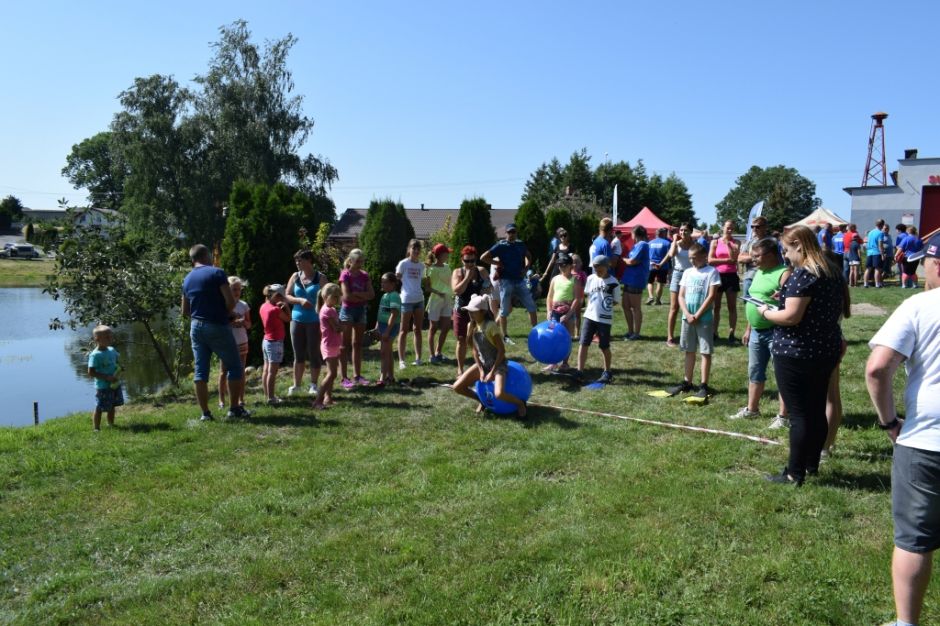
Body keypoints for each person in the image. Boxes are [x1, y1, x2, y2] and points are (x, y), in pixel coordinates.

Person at [866, 232, 940, 626]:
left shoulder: (918, 306)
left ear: (936, 264)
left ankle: (906, 622)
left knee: (914, 539)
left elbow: (878, 368)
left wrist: (889, 421)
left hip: (926, 438)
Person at [758, 225, 849, 486]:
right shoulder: (831, 272)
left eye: (786, 250)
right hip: (825, 349)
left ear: (799, 245)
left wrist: (766, 312)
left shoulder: (804, 274)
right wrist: (787, 296)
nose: (785, 256)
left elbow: (791, 317)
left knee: (798, 415)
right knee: (816, 409)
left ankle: (793, 473)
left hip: (796, 352)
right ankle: (811, 464)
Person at [181, 244, 246, 421]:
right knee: (235, 367)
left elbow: (185, 310)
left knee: (200, 372)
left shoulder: (187, 279)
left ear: (193, 259)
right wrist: (227, 315)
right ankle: (234, 410)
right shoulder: (217, 273)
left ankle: (205, 414)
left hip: (196, 327)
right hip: (217, 325)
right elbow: (230, 302)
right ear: (207, 256)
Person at [729, 238, 790, 422]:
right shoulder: (759, 272)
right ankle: (752, 409)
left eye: (757, 256)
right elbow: (754, 300)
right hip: (756, 331)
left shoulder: (785, 273)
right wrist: (749, 329)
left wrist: (780, 298)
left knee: (782, 375)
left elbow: (791, 305)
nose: (753, 259)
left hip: (776, 331)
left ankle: (783, 417)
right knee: (755, 371)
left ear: (770, 255)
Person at [451, 294, 527, 417]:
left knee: (499, 394)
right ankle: (482, 400)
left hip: (498, 364)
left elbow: (502, 351)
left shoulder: (491, 326)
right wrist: (481, 370)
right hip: (483, 364)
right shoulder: (471, 326)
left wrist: (492, 372)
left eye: (473, 311)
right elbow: (474, 350)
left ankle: (520, 403)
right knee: (457, 387)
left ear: (482, 312)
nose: (470, 314)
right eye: (469, 311)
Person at [668, 243, 720, 399]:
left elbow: (711, 296)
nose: (692, 261)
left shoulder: (712, 272)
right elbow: (681, 295)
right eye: (690, 258)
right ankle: (687, 382)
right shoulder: (687, 272)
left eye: (694, 258)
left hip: (703, 318)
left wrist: (697, 315)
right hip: (687, 318)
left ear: (704, 256)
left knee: (705, 351)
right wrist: (687, 313)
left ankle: (704, 385)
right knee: (689, 350)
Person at [480, 223, 538, 339]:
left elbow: (529, 256)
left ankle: (535, 332)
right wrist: (497, 263)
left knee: (531, 306)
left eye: (514, 232)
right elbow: (483, 257)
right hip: (506, 281)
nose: (512, 234)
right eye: (510, 232)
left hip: (520, 280)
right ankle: (505, 335)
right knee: (504, 310)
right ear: (506, 233)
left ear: (516, 233)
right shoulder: (501, 245)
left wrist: (526, 268)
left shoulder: (520, 244)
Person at [574, 255, 620, 383]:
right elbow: (589, 295)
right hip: (589, 317)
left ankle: (607, 372)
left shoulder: (614, 282)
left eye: (600, 270)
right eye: (596, 270)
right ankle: (579, 371)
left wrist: (604, 307)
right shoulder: (590, 278)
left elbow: (616, 301)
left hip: (604, 319)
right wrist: (591, 307)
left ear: (607, 267)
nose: (597, 272)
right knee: (583, 343)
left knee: (604, 346)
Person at [285, 249, 324, 397]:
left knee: (314, 353)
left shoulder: (320, 277)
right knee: (298, 354)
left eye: (300, 260)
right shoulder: (295, 276)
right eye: (296, 260)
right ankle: (296, 385)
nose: (297, 263)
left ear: (309, 261)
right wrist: (299, 300)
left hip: (314, 320)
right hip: (296, 319)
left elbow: (328, 296)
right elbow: (287, 296)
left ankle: (313, 385)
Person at [451, 245, 491, 376]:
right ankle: (460, 368)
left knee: (482, 339)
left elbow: (489, 287)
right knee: (461, 339)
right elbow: (457, 291)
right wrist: (467, 278)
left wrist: (486, 290)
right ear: (462, 260)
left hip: (478, 312)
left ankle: (484, 366)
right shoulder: (458, 272)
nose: (469, 264)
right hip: (462, 310)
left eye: (472, 261)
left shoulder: (482, 271)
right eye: (466, 261)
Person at [339, 249, 374, 388]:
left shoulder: (364, 275)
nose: (360, 264)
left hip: (361, 311)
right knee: (344, 345)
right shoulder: (345, 274)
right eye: (358, 261)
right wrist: (363, 295)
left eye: (362, 261)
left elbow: (371, 294)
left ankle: (357, 375)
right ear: (351, 261)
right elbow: (346, 296)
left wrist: (357, 294)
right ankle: (344, 377)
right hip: (347, 311)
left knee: (358, 344)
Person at [544, 253, 582, 371]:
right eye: (559, 265)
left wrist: (569, 314)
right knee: (552, 336)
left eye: (564, 265)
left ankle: (565, 363)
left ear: (570, 265)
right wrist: (548, 311)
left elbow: (577, 299)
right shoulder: (555, 279)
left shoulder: (575, 280)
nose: (561, 267)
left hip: (568, 313)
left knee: (567, 338)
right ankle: (553, 362)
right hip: (555, 312)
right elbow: (549, 297)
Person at [218, 276, 251, 411]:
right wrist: (232, 322)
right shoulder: (222, 304)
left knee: (241, 371)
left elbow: (249, 324)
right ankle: (221, 399)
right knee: (223, 371)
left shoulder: (243, 305)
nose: (237, 292)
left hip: (242, 341)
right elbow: (220, 324)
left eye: (238, 289)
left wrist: (243, 322)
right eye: (233, 289)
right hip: (226, 342)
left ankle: (240, 398)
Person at [662, 223, 695, 347]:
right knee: (674, 307)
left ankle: (689, 335)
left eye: (685, 230)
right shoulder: (676, 243)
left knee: (690, 307)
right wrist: (675, 241)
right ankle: (670, 337)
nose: (682, 233)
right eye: (681, 230)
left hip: (691, 276)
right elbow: (671, 254)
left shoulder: (694, 245)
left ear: (690, 232)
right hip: (677, 275)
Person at [708, 220, 740, 344]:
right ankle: (714, 332)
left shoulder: (736, 242)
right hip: (717, 276)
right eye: (728, 228)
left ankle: (732, 333)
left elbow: (734, 259)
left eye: (732, 228)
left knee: (732, 306)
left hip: (731, 276)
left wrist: (728, 245)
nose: (730, 230)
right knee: (716, 306)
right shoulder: (715, 242)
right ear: (723, 228)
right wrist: (727, 260)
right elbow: (710, 260)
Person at [396, 239, 426, 368]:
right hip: (406, 300)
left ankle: (418, 359)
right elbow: (397, 277)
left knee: (417, 329)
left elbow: (423, 280)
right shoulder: (403, 264)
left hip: (419, 300)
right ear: (409, 249)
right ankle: (402, 361)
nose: (416, 251)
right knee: (403, 330)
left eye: (418, 249)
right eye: (414, 248)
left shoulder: (422, 266)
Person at [87, 324, 123, 431]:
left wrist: (120, 368)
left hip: (114, 384)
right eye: (107, 337)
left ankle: (111, 424)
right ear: (97, 339)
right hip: (103, 386)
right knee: (99, 407)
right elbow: (91, 372)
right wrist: (106, 377)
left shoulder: (112, 350)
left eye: (110, 336)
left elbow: (116, 362)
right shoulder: (95, 355)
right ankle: (96, 428)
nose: (110, 338)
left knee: (112, 405)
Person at [313, 283, 343, 410]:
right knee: (332, 373)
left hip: (333, 344)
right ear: (326, 297)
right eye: (335, 297)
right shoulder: (327, 311)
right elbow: (336, 328)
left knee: (332, 373)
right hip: (329, 345)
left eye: (338, 296)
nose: (337, 299)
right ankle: (317, 401)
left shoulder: (331, 309)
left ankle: (328, 398)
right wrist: (344, 326)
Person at [260, 284, 291, 406]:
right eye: (281, 297)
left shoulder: (264, 306)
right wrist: (286, 307)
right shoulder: (276, 310)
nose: (283, 299)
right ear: (277, 296)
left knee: (266, 370)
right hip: (275, 342)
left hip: (266, 341)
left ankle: (267, 394)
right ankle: (271, 398)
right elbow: (288, 319)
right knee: (272, 372)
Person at [424, 244, 453, 364]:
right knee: (433, 328)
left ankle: (438, 352)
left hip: (447, 300)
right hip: (435, 300)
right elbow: (427, 288)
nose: (448, 255)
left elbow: (450, 283)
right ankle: (432, 356)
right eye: (446, 253)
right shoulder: (430, 269)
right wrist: (438, 292)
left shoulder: (448, 267)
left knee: (446, 327)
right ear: (440, 255)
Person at [620, 225, 648, 340]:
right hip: (629, 279)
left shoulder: (643, 244)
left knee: (636, 307)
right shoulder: (636, 245)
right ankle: (630, 331)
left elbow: (632, 261)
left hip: (636, 279)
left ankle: (636, 333)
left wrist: (622, 259)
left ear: (635, 234)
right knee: (625, 305)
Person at [373, 272, 401, 388]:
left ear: (393, 284)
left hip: (390, 327)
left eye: (385, 282)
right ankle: (390, 377)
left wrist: (387, 331)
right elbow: (381, 313)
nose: (382, 284)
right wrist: (377, 327)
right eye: (382, 282)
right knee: (388, 352)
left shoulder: (394, 296)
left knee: (384, 352)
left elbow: (394, 315)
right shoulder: (385, 296)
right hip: (383, 326)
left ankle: (382, 378)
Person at [738, 216, 769, 298]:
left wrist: (750, 257)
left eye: (757, 227)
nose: (754, 229)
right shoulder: (750, 242)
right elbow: (740, 258)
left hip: (766, 276)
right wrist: (757, 257)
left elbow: (771, 258)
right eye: (752, 227)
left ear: (765, 227)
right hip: (750, 277)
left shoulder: (771, 241)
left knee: (763, 300)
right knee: (747, 300)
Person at [647, 227, 672, 306]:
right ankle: (657, 300)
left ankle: (651, 296)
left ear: (656, 234)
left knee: (650, 282)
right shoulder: (667, 243)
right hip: (663, 266)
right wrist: (670, 267)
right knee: (660, 283)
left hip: (651, 265)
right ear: (663, 234)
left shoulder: (649, 243)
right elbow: (669, 256)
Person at [864, 219, 887, 288]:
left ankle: (865, 284)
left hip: (869, 252)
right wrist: (882, 254)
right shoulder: (880, 233)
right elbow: (880, 245)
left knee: (868, 269)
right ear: (882, 225)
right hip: (876, 252)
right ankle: (877, 284)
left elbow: (867, 242)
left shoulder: (870, 232)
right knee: (877, 269)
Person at [570, 254, 588, 339]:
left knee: (577, 315)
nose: (575, 264)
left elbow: (586, 285)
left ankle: (577, 333)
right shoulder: (568, 273)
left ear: (581, 263)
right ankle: (570, 332)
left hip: (579, 298)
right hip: (569, 298)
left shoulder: (582, 274)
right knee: (570, 315)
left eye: (577, 262)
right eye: (573, 262)